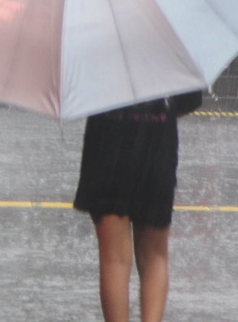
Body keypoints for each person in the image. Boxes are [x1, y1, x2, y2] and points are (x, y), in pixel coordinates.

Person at [74, 95, 196, 322]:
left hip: (107, 142)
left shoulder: (96, 57)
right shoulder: (175, 57)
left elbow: (81, 96)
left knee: (114, 258)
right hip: (158, 141)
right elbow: (186, 102)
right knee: (154, 255)